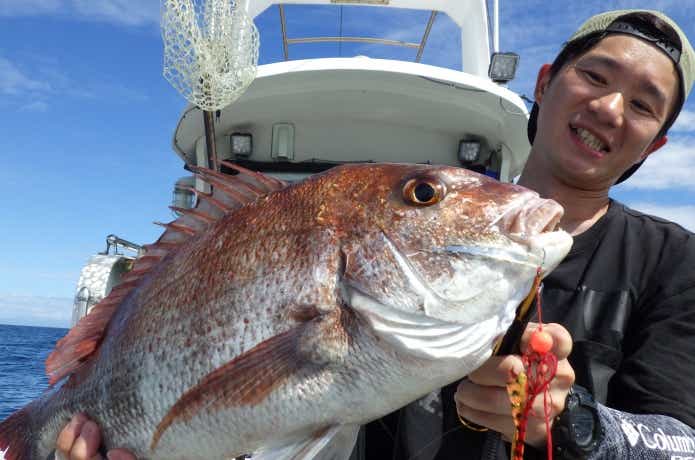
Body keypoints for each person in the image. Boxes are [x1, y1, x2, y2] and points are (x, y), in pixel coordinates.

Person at [56, 8, 695, 460]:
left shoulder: (672, 261)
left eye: (643, 104)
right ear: (547, 80)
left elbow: (682, 442)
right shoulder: (426, 248)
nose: (610, 109)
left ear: (657, 141)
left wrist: (574, 423)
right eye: (597, 77)